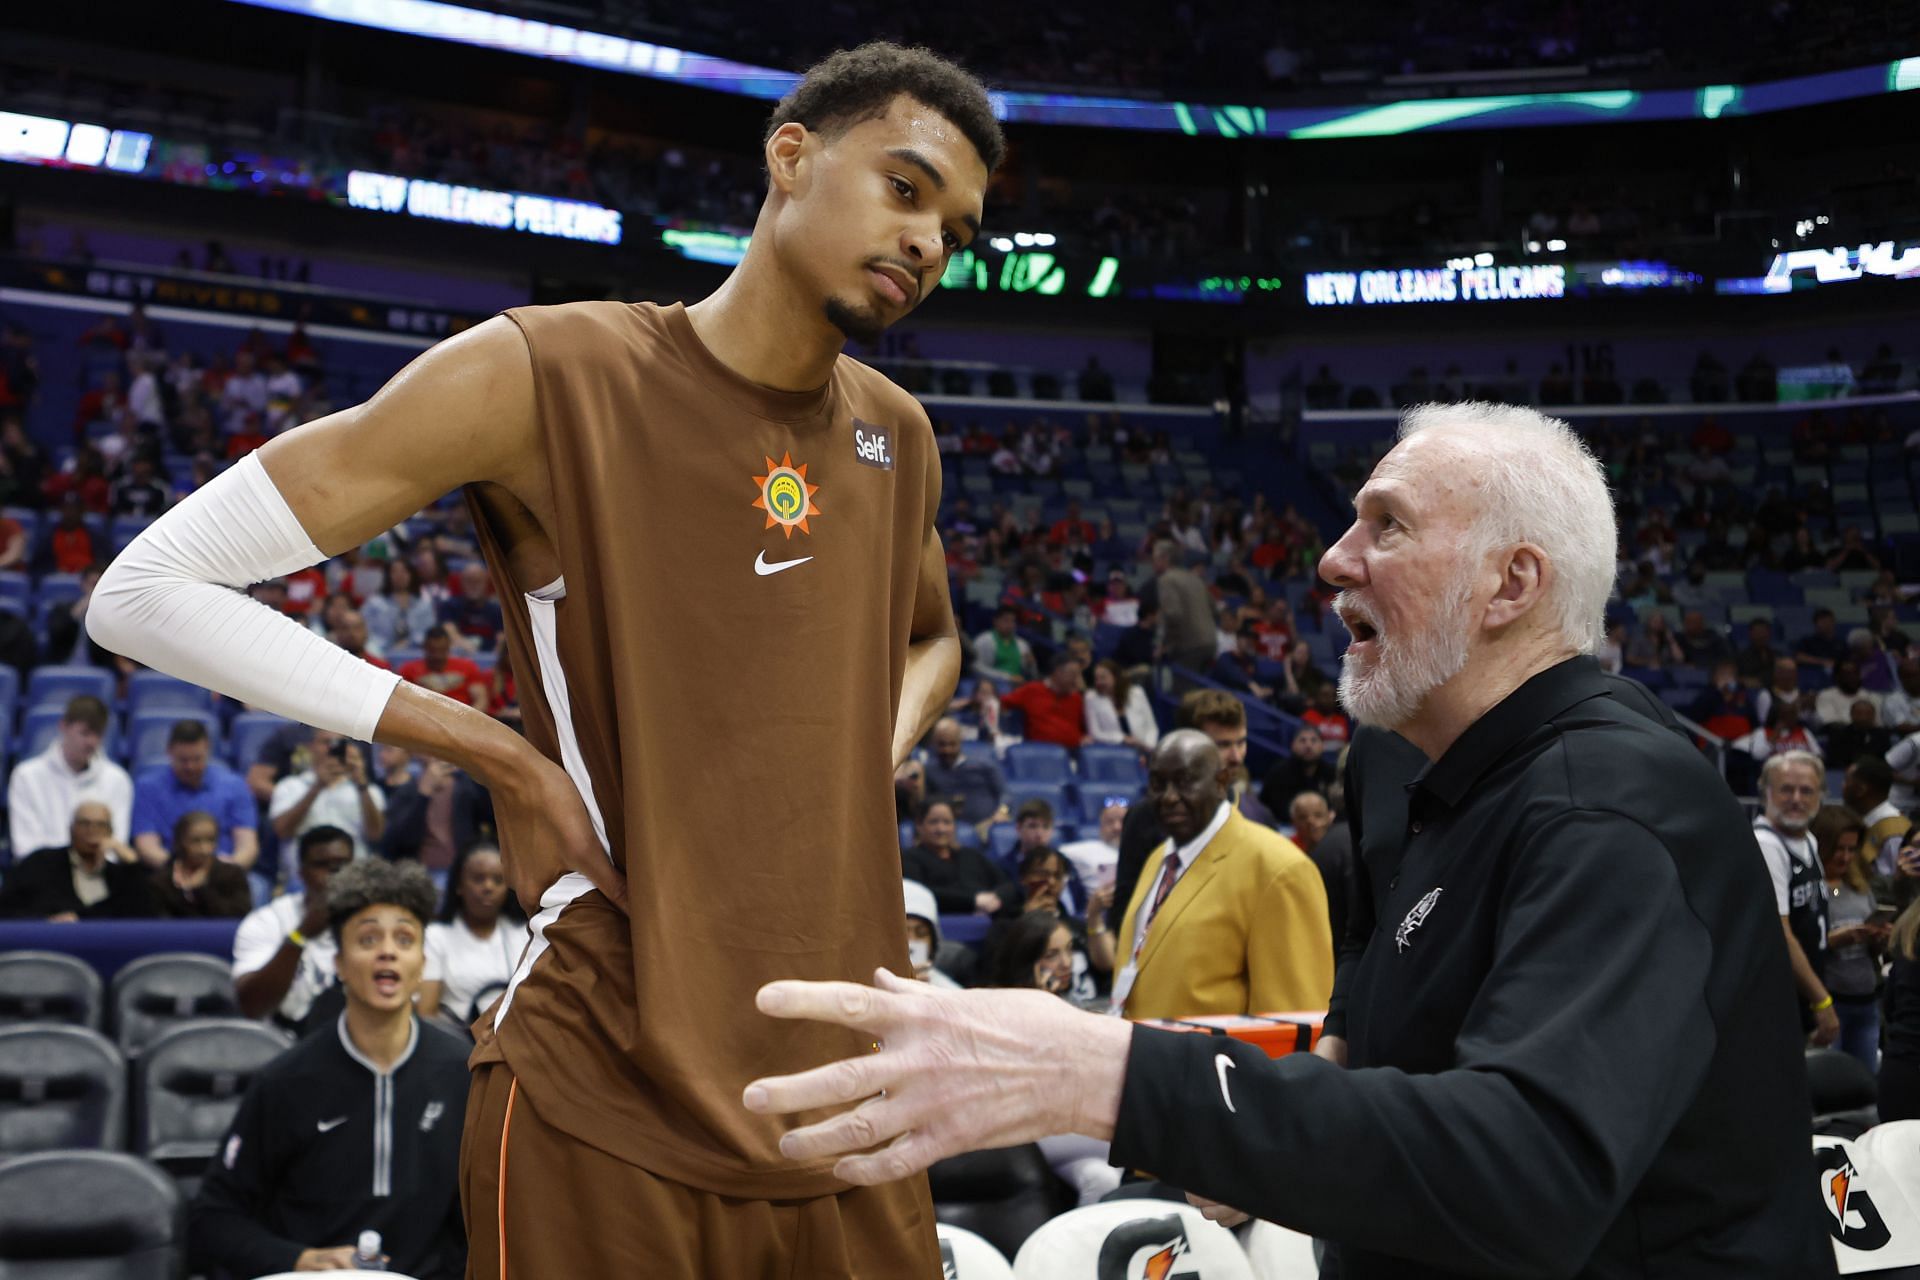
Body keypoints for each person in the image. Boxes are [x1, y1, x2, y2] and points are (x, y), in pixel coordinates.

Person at [91, 41, 1000, 1276]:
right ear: (790, 155)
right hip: (610, 1075)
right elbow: (144, 591)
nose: (929, 244)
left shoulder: (899, 434)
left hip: (853, 1085)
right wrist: (501, 758)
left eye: (956, 228)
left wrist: (859, 753)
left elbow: (935, 634)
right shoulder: (548, 370)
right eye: (906, 188)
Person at [743, 403, 1834, 1279]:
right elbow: (1372, 1011)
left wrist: (1103, 1071)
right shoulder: (1402, 762)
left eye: (1387, 525)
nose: (1331, 558)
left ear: (1513, 583)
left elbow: (1530, 1169)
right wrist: (1265, 1133)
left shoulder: (1612, 801)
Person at [190, 859, 468, 1278]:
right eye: (368, 938)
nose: (388, 951)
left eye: (405, 939)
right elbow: (214, 1219)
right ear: (339, 965)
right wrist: (298, 1259)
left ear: (422, 965)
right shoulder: (285, 1080)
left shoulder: (461, 1073)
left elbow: (489, 1216)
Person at [1107, 729, 1331, 1021]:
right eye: (1158, 784)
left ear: (1221, 782)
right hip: (1146, 1059)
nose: (1169, 797)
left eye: (1185, 782)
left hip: (1214, 1066)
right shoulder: (1158, 859)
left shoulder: (1279, 868)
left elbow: (1294, 1021)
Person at [1754, 750, 1840, 1046]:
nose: (1797, 799)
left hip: (1803, 998)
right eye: (1786, 789)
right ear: (1766, 793)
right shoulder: (1767, 845)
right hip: (1777, 1004)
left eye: (1807, 791)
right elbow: (1781, 933)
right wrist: (1822, 1001)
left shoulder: (1808, 840)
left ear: (1820, 796)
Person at [231, 826, 355, 1029]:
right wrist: (301, 935)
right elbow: (252, 1006)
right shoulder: (266, 921)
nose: (334, 875)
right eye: (322, 865)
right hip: (284, 1043)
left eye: (342, 865)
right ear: (302, 873)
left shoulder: (375, 925)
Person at [7, 694, 132, 857]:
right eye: (85, 733)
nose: (92, 742)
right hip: (40, 877)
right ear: (64, 726)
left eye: (98, 734)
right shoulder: (26, 776)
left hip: (96, 876)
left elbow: (115, 846)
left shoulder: (118, 780)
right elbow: (25, 846)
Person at [418, 844, 528, 1029]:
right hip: (459, 1044)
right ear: (459, 885)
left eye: (498, 880)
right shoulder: (435, 937)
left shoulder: (525, 934)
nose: (488, 887)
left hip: (517, 1038)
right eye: (478, 879)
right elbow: (426, 1014)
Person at [131, 718, 259, 869]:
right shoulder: (148, 787)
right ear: (169, 751)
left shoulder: (234, 785)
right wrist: (181, 870)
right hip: (169, 872)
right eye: (183, 760)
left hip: (222, 871)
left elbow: (247, 845)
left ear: (208, 750)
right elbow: (147, 846)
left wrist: (226, 870)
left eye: (197, 759)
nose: (190, 767)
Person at [0, 799, 156, 920]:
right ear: (71, 829)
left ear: (110, 832)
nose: (92, 831)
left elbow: (145, 913)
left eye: (100, 825)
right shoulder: (42, 863)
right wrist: (47, 921)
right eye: (84, 824)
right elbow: (8, 907)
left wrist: (131, 860)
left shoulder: (120, 875)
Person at [1813, 804, 1883, 1071]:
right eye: (1838, 849)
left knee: (1867, 1084)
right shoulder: (1811, 890)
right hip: (1832, 1002)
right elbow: (1798, 946)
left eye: (1852, 849)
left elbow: (1876, 953)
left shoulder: (1860, 887)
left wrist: (1877, 937)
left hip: (1866, 1000)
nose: (1844, 857)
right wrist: (1833, 941)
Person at [268, 728, 387, 860]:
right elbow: (283, 831)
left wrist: (361, 784)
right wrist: (317, 787)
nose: (331, 747)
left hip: (353, 873)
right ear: (311, 747)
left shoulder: (367, 790)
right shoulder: (289, 786)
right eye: (326, 742)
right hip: (302, 874)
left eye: (338, 743)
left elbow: (375, 835)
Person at [900, 798, 1020, 918]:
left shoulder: (971, 855)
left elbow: (1007, 884)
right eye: (933, 822)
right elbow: (921, 893)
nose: (941, 829)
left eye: (947, 822)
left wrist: (995, 898)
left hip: (990, 919)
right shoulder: (910, 858)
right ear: (919, 826)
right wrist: (974, 901)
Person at [381, 754, 493, 873]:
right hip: (422, 872)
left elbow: (491, 817)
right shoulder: (406, 792)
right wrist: (423, 795)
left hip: (463, 870)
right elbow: (401, 840)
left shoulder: (466, 786)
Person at [151, 810, 254, 918]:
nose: (204, 849)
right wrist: (185, 893)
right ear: (180, 841)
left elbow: (240, 917)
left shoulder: (232, 875)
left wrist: (202, 890)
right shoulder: (161, 881)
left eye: (210, 840)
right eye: (195, 841)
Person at [922, 716, 1004, 826]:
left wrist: (1002, 812)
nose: (947, 750)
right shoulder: (929, 770)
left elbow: (1005, 793)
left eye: (952, 744)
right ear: (934, 743)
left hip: (988, 825)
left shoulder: (984, 764)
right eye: (942, 744)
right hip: (948, 830)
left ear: (960, 741)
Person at [1844, 754, 1913, 880]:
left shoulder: (1894, 830)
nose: (1843, 786)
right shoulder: (1861, 821)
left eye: (1847, 780)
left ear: (1861, 790)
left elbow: (1894, 884)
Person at [1152, 539, 1215, 674]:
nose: (1153, 562)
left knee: (1183, 692)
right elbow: (1214, 610)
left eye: (1155, 558)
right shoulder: (1195, 578)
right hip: (1210, 643)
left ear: (1165, 558)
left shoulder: (1167, 579)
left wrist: (1165, 646)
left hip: (1189, 646)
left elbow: (1173, 615)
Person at [999, 653, 1085, 749]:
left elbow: (1086, 730)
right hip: (1039, 755)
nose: (1077, 680)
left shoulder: (1077, 698)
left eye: (1078, 675)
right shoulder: (1032, 690)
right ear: (1058, 672)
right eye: (1073, 674)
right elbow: (1000, 703)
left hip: (1073, 755)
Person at [396, 624, 489, 709]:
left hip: (460, 717)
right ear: (425, 647)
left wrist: (469, 720)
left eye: (442, 650)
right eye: (433, 650)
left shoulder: (467, 667)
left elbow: (481, 699)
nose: (438, 656)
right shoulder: (409, 670)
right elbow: (401, 702)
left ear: (448, 647)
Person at [1082, 658, 1158, 752]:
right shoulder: (1092, 697)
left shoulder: (1137, 692)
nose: (1099, 682)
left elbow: (1151, 726)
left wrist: (1149, 746)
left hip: (1143, 747)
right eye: (1097, 678)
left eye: (1103, 678)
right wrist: (1122, 739)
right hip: (1114, 750)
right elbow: (1095, 733)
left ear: (1116, 677)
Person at [901, 879, 962, 989]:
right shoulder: (865, 991)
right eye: (903, 934)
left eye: (922, 934)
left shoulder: (951, 992)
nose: (912, 941)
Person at [1258, 724, 1331, 813]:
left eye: (1314, 740)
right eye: (1302, 741)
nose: (1308, 745)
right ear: (1293, 745)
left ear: (1322, 746)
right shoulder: (1278, 773)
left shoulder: (1331, 772)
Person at [971, 604, 1036, 685]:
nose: (1010, 625)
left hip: (1017, 686)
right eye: (1006, 620)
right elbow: (976, 667)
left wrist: (1031, 665)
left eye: (1012, 621)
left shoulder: (1022, 644)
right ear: (995, 621)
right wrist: (1006, 677)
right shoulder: (983, 641)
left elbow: (1032, 675)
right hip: (992, 685)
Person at [1815, 659, 1881, 727]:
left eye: (1855, 673)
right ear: (1837, 677)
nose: (1852, 677)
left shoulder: (1871, 696)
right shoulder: (1826, 696)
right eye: (1847, 674)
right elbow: (1830, 722)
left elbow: (1878, 723)